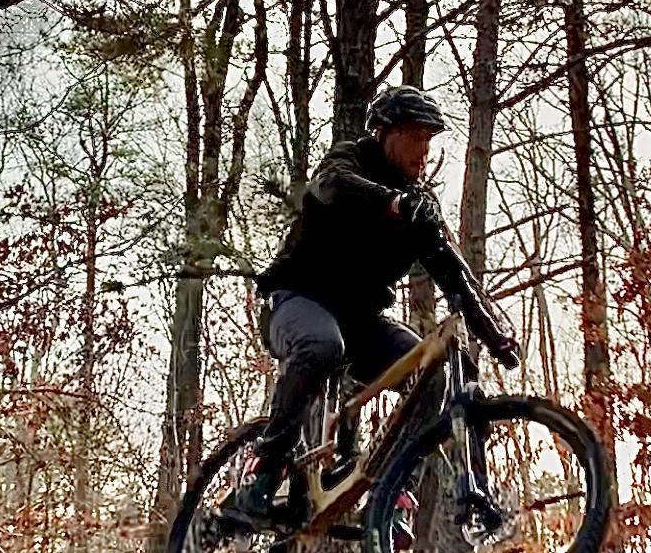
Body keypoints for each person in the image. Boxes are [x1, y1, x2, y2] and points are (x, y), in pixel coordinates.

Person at [221, 86, 522, 529]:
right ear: (384, 133)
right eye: (416, 136)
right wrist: (392, 204)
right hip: (298, 300)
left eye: (430, 140)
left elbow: (455, 275)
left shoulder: (421, 205)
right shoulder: (350, 161)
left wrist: (495, 338)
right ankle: (263, 469)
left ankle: (394, 491)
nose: (425, 150)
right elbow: (331, 186)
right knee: (323, 346)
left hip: (361, 323)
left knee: (432, 373)